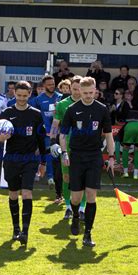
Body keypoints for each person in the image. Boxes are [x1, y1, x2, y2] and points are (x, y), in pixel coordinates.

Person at [59, 76, 115, 247]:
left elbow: (108, 135)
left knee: (91, 195)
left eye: (92, 92)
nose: (89, 96)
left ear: (96, 90)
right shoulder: (71, 109)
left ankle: (88, 234)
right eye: (85, 93)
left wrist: (111, 157)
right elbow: (62, 135)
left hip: (94, 156)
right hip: (76, 156)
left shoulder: (102, 109)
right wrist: (64, 153)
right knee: (76, 197)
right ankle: (75, 216)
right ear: (79, 92)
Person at [0, 81, 48, 246]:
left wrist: (43, 162)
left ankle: (25, 231)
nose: (22, 99)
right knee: (13, 194)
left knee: (27, 194)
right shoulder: (7, 113)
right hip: (11, 159)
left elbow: (41, 139)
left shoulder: (36, 114)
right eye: (19, 95)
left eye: (25, 96)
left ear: (30, 94)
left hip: (30, 159)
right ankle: (15, 228)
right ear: (14, 94)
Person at [50, 76, 87, 220]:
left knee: (83, 178)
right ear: (70, 88)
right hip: (66, 146)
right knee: (66, 177)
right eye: (74, 89)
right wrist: (53, 141)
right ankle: (68, 208)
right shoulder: (62, 105)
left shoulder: (89, 104)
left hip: (84, 147)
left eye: (79, 89)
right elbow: (55, 125)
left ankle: (82, 208)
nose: (77, 92)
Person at [33, 75, 62, 188]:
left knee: (56, 155)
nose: (51, 86)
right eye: (49, 84)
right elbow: (34, 115)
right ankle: (46, 176)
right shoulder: (38, 99)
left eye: (53, 84)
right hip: (44, 133)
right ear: (44, 86)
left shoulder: (60, 97)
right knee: (45, 154)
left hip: (58, 133)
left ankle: (54, 177)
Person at [117, 110, 138, 179]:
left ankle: (125, 173)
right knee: (137, 151)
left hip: (130, 127)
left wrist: (121, 141)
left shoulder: (127, 122)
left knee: (125, 150)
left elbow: (120, 133)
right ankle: (135, 175)